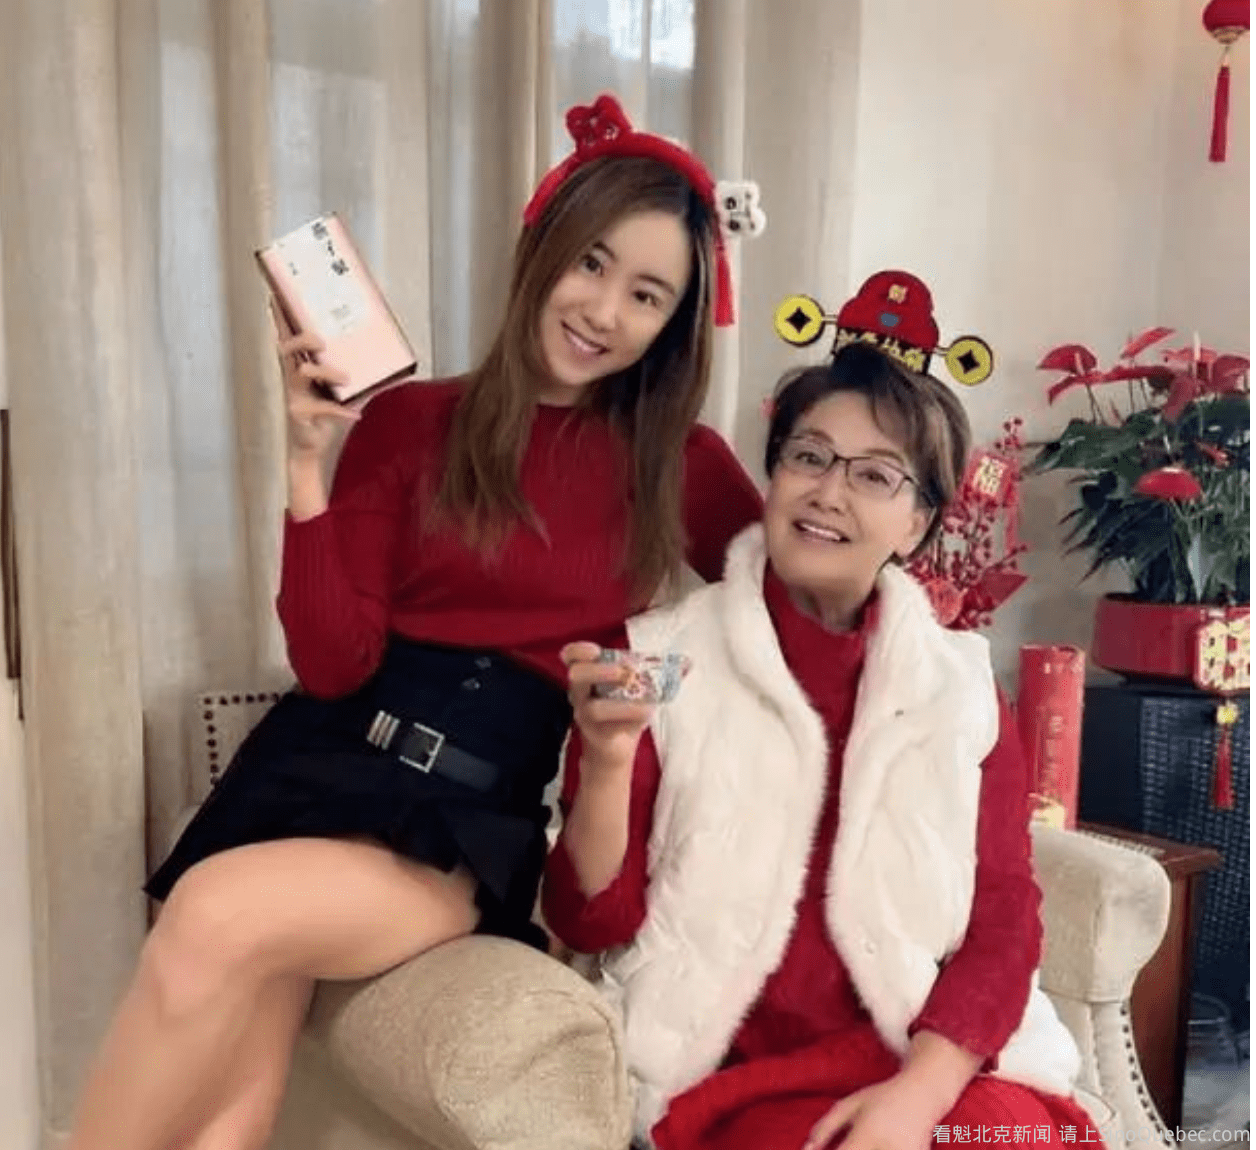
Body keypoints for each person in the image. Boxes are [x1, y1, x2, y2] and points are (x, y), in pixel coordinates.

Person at [65, 92, 764, 1150]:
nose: (603, 309)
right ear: (544, 248)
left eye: (646, 294)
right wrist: (306, 469)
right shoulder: (410, 418)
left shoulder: (679, 464)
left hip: (462, 816)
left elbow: (779, 601)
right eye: (591, 263)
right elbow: (332, 663)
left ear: (673, 325)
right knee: (233, 1093)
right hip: (318, 755)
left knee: (214, 914)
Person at [545, 282, 1104, 1150]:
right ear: (773, 475)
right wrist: (609, 758)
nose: (828, 492)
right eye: (808, 456)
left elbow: (1004, 915)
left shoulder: (960, 686)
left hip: (930, 1057)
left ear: (918, 524)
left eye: (874, 475)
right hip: (738, 1072)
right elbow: (591, 923)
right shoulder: (656, 659)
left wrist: (921, 1092)